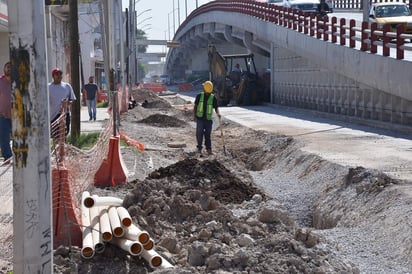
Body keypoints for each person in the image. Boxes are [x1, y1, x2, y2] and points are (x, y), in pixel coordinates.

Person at [193, 80, 220, 156]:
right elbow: (195, 106)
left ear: (204, 88)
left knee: (207, 135)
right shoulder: (199, 96)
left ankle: (208, 149)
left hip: (208, 120)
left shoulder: (213, 98)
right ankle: (199, 149)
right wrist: (195, 116)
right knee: (199, 134)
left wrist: (218, 113)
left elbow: (216, 107)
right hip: (200, 119)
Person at [48, 68, 76, 137]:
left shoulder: (67, 86)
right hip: (53, 115)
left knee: (64, 135)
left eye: (60, 74)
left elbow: (72, 99)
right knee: (55, 135)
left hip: (64, 114)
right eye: (57, 74)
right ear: (53, 76)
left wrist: (67, 103)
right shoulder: (48, 87)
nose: (59, 76)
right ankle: (57, 147)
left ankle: (63, 147)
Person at [0, 62, 12, 163]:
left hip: (17, 115)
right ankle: (8, 157)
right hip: (3, 115)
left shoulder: (18, 81)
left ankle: (18, 156)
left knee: (20, 137)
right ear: (4, 69)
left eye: (11, 68)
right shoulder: (0, 81)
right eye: (8, 67)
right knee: (4, 138)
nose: (9, 69)